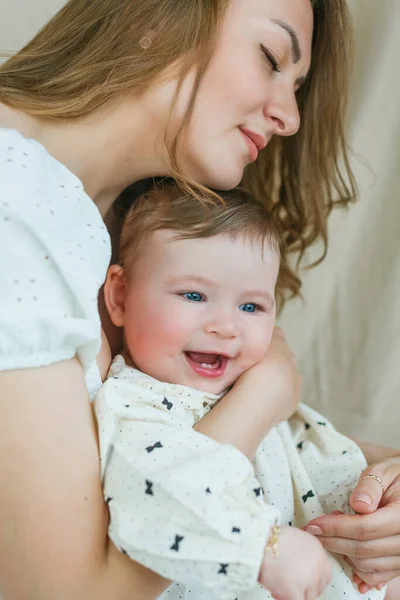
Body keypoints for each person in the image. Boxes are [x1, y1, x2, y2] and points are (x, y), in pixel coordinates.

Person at [0, 0, 398, 598]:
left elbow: (161, 431)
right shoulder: (15, 210)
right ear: (154, 19)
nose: (288, 117)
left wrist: (379, 483)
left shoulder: (134, 228)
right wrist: (264, 395)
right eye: (270, 57)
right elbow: (71, 590)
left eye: (297, 86)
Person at [94, 183, 384, 600]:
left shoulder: (246, 383)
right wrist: (263, 545)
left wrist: (371, 519)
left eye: (251, 307)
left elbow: (314, 453)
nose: (225, 326)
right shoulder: (134, 403)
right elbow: (153, 483)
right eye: (193, 295)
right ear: (120, 296)